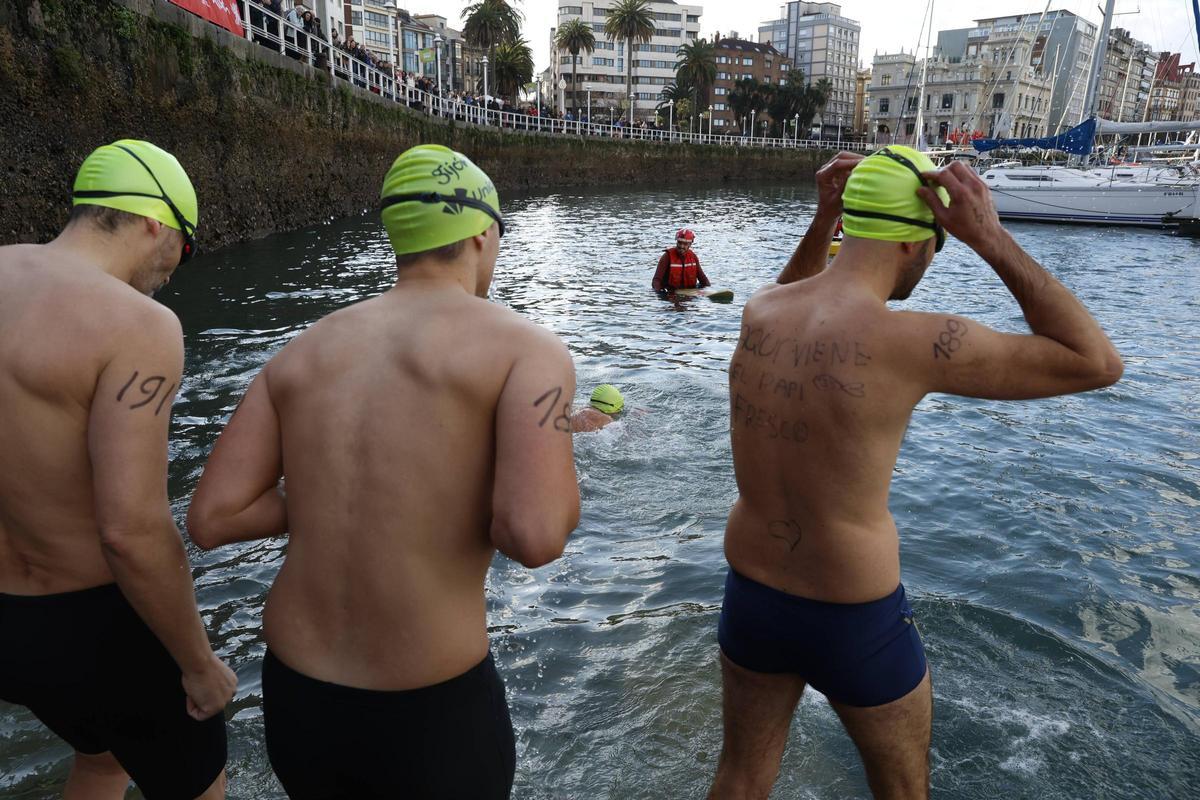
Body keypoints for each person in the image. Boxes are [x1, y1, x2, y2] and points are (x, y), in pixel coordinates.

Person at [710, 148, 1123, 799]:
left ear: (849, 224)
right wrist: (991, 238)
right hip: (853, 616)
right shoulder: (911, 342)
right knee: (901, 791)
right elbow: (1096, 361)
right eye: (937, 250)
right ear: (914, 243)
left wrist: (825, 220)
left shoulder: (764, 311)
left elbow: (795, 291)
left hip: (752, 595)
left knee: (740, 778)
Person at [187, 144, 581, 799]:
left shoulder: (302, 352)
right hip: (427, 710)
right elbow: (534, 534)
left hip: (298, 696)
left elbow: (212, 517)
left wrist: (327, 496)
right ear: (483, 233)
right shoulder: (527, 349)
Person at [0, 140, 234, 799]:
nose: (172, 272)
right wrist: (197, 664)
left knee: (102, 761)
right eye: (182, 251)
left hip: (8, 625)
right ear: (155, 223)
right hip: (93, 623)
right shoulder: (139, 325)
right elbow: (130, 528)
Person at [652, 228, 711, 296]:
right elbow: (656, 280)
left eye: (685, 244)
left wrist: (709, 290)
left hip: (690, 293)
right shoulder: (667, 257)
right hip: (671, 293)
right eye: (679, 243)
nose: (681, 246)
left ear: (690, 244)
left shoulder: (693, 257)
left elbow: (703, 279)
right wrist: (661, 294)